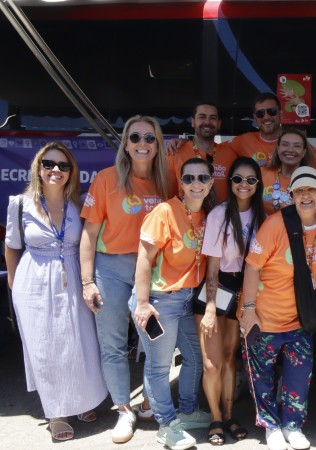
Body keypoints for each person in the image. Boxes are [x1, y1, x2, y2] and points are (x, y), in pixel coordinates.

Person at [80, 115, 173, 443]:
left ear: (158, 143)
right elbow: (89, 233)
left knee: (154, 341)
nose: (143, 144)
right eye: (135, 137)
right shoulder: (107, 179)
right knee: (114, 344)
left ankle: (149, 401)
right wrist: (87, 281)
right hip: (111, 269)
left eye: (150, 138)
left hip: (153, 271)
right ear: (126, 143)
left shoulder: (168, 181)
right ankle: (123, 409)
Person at [5, 142, 106, 441]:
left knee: (77, 341)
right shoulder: (20, 204)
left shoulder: (78, 205)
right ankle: (56, 413)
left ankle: (81, 401)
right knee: (46, 347)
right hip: (33, 281)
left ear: (72, 172)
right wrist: (14, 285)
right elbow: (11, 248)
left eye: (64, 166)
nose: (56, 170)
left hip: (72, 276)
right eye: (49, 164)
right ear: (38, 167)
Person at [239, 166, 316, 450]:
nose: (306, 196)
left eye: (312, 190)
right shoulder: (275, 224)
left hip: (300, 320)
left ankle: (292, 427)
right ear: (291, 195)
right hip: (264, 317)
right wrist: (248, 309)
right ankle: (271, 427)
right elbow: (252, 266)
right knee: (262, 377)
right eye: (300, 191)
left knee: (299, 376)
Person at [131, 158, 215, 450]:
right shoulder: (164, 211)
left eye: (202, 178)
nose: (196, 183)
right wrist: (142, 303)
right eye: (189, 178)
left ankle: (188, 411)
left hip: (186, 299)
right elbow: (144, 259)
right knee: (159, 366)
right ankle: (167, 425)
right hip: (158, 300)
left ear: (211, 182)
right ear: (181, 182)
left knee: (193, 357)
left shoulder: (206, 214)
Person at [196, 157, 266, 445]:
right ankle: (214, 418)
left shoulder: (263, 217)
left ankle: (228, 415)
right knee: (211, 363)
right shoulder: (219, 215)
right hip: (216, 289)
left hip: (243, 292)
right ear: (230, 182)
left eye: (251, 180)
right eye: (238, 179)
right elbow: (211, 266)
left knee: (229, 359)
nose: (244, 185)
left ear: (258, 184)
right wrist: (211, 307)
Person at [170, 102, 236, 203]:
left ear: (219, 124)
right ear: (193, 122)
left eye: (213, 118)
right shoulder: (175, 153)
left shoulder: (230, 154)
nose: (207, 122)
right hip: (187, 216)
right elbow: (167, 194)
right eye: (202, 117)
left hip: (221, 217)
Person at [261, 128, 316, 215]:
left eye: (297, 146)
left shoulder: (313, 182)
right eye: (285, 145)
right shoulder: (261, 174)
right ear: (278, 148)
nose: (290, 150)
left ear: (304, 152)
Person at [228, 92, 283, 167]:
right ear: (255, 118)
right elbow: (214, 149)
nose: (266, 117)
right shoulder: (243, 141)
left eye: (271, 111)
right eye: (260, 113)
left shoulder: (294, 142)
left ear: (281, 114)